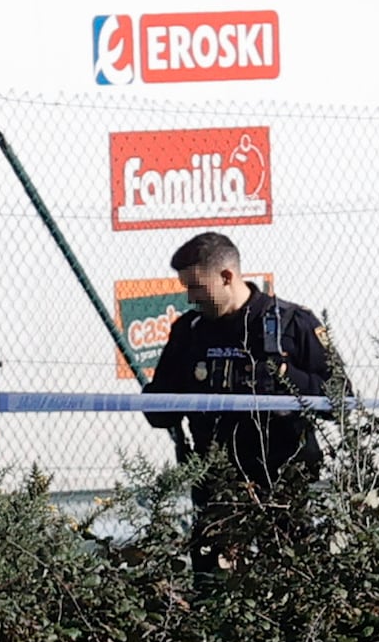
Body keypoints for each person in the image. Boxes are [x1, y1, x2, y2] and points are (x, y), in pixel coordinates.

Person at [144, 229, 343, 558]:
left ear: (225, 276)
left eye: (196, 286)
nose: (190, 297)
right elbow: (159, 412)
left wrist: (284, 376)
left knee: (288, 582)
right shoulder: (189, 332)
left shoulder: (292, 324)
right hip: (217, 487)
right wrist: (162, 395)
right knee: (213, 587)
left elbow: (339, 400)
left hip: (281, 483)